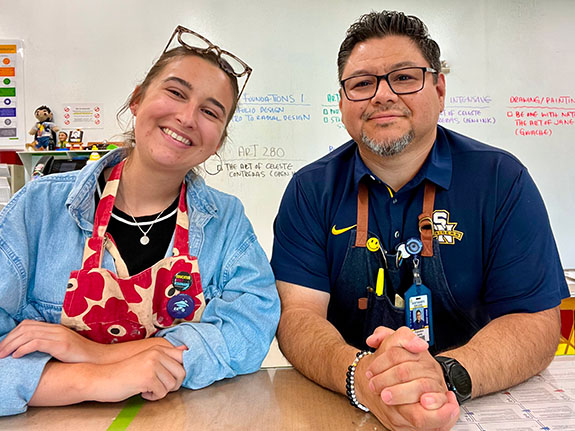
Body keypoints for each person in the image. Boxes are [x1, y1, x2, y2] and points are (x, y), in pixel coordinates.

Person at [271, 10, 568, 431]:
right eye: (361, 84)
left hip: (471, 404)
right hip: (343, 404)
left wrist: (441, 378)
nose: (382, 95)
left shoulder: (501, 180)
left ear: (440, 88)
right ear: (342, 102)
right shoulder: (309, 190)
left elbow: (535, 323)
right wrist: (362, 378)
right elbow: (297, 316)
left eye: (405, 77)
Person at [0, 25, 280, 416]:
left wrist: (91, 352)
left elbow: (249, 334)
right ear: (136, 101)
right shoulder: (39, 209)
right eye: (176, 92)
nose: (186, 117)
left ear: (218, 141)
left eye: (210, 111)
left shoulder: (226, 221)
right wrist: (97, 379)